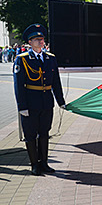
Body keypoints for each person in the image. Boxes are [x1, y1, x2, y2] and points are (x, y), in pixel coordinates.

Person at [13, 21, 65, 176]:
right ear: (29, 42)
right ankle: (34, 164)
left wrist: (60, 101)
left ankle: (44, 163)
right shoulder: (22, 59)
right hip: (30, 103)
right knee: (30, 134)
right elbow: (18, 86)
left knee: (44, 132)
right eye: (36, 39)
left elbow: (56, 81)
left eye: (42, 39)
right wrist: (22, 106)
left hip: (46, 102)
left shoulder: (50, 58)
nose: (40, 41)